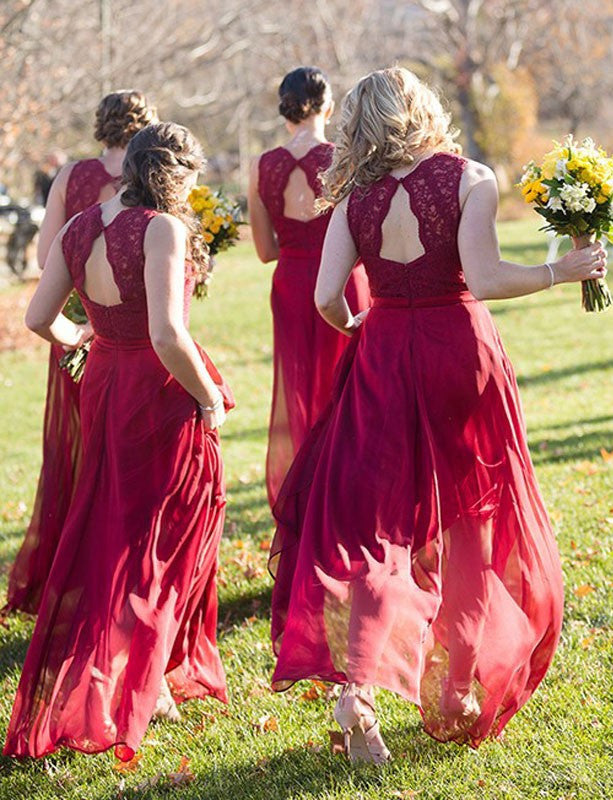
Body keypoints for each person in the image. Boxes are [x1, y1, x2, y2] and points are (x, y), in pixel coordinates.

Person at [268, 68, 608, 762]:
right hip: (461, 353)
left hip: (384, 353)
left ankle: (356, 688)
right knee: (470, 518)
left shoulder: (353, 195)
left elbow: (327, 297)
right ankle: (453, 687)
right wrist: (560, 271)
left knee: (374, 528)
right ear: (419, 107)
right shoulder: (466, 176)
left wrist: (363, 322)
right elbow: (482, 279)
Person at [4, 122, 233, 760]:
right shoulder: (163, 228)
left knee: (117, 521)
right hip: (155, 387)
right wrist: (209, 396)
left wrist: (82, 339)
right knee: (172, 525)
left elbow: (36, 318)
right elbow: (167, 333)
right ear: (175, 172)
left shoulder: (79, 227)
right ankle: (145, 673)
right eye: (192, 176)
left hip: (103, 380)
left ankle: (140, 667)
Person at [6, 90, 157, 614]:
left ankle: (69, 573)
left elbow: (50, 255)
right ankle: (117, 572)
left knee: (75, 449)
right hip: (135, 333)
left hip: (74, 319)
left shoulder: (71, 176)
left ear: (101, 125)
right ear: (146, 127)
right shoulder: (153, 176)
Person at [248, 66, 370, 507]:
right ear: (329, 107)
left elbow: (264, 250)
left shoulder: (263, 165)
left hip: (292, 283)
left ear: (285, 110)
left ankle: (305, 489)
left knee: (299, 387)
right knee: (351, 381)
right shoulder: (347, 158)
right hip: (345, 282)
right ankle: (351, 483)